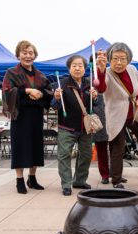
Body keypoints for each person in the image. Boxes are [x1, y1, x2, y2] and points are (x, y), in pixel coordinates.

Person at [96, 42, 138, 189]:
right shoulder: (106, 72)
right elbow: (100, 88)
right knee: (118, 147)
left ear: (129, 60)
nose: (119, 63)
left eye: (123, 59)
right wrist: (100, 71)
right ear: (109, 59)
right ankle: (116, 180)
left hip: (133, 112)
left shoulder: (132, 70)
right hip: (116, 113)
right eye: (115, 59)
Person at [2, 40, 53, 194]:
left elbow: (49, 92)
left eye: (31, 53)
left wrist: (41, 93)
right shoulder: (12, 73)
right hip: (20, 116)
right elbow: (7, 91)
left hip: (36, 115)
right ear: (18, 55)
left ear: (35, 55)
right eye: (24, 53)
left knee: (35, 146)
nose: (28, 56)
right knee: (20, 147)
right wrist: (28, 91)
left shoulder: (41, 75)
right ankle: (19, 180)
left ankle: (32, 178)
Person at [53, 55, 98, 196]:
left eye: (80, 65)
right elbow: (54, 106)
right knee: (64, 155)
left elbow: (94, 106)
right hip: (67, 127)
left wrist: (95, 97)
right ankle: (66, 184)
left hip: (85, 128)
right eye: (74, 65)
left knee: (85, 155)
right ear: (69, 68)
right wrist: (56, 98)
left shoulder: (89, 84)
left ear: (85, 69)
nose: (77, 68)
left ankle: (79, 181)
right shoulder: (61, 84)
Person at [90, 54, 110, 185]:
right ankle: (105, 174)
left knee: (116, 148)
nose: (99, 65)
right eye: (96, 63)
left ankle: (116, 172)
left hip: (112, 115)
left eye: (102, 62)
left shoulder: (110, 76)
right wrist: (93, 96)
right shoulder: (89, 80)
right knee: (102, 148)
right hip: (99, 117)